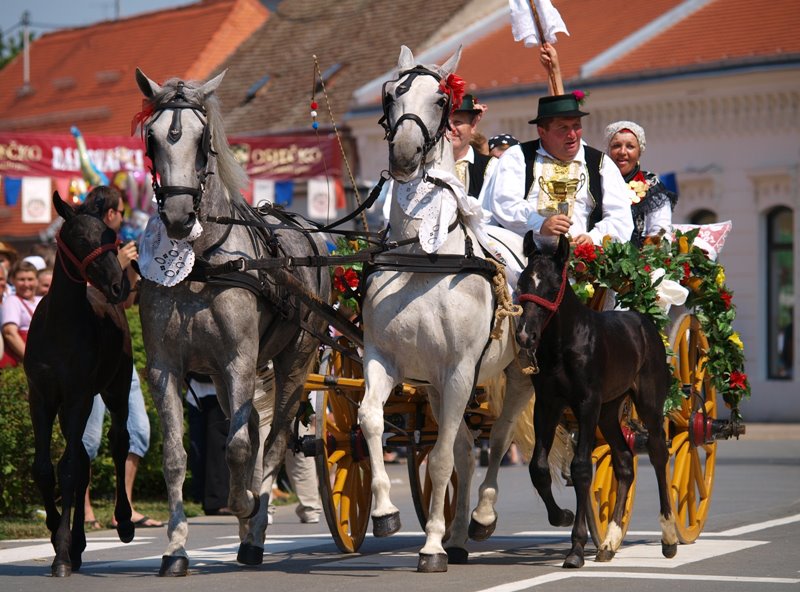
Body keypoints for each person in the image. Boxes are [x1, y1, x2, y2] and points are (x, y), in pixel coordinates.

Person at [80, 185, 162, 529]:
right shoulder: (83, 243)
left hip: (119, 351)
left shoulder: (115, 246)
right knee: (89, 437)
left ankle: (123, 507)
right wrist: (118, 263)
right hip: (90, 353)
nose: (123, 217)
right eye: (120, 211)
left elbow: (123, 303)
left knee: (138, 431)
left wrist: (128, 270)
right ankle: (82, 509)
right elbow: (84, 296)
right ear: (109, 214)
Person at [480, 93, 633, 246]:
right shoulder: (518, 157)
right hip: (526, 258)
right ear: (542, 132)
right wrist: (540, 224)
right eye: (563, 128)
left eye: (576, 126)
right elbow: (505, 203)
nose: (572, 135)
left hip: (585, 261)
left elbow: (620, 217)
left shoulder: (600, 163)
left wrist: (594, 238)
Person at [604, 120, 678, 248]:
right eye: (616, 146)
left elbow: (662, 228)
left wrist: (654, 244)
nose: (622, 152)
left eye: (630, 146)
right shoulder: (596, 181)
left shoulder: (652, 185)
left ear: (639, 152)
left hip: (640, 262)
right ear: (608, 150)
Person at [185, 373, 231, 516]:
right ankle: (216, 501)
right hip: (215, 387)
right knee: (216, 446)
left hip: (197, 386)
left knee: (202, 445)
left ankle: (206, 497)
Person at [451, 94, 495, 198]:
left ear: (473, 125)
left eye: (457, 122)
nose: (451, 128)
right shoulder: (427, 168)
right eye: (445, 123)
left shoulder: (492, 167)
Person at [0, 260, 42, 368]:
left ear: (37, 280)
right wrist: (32, 362)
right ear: (13, 281)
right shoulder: (12, 301)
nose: (26, 284)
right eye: (21, 280)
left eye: (30, 279)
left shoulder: (41, 300)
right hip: (23, 363)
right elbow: (9, 333)